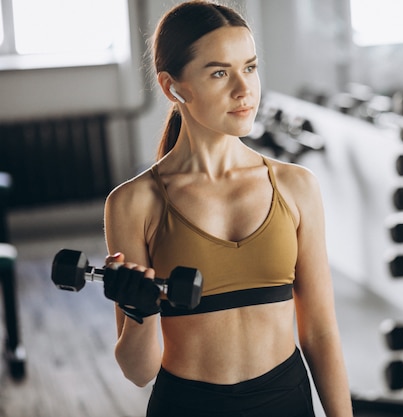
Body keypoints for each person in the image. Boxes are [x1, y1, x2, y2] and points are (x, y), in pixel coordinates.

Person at [102, 1, 353, 416]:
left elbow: (321, 334)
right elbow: (137, 370)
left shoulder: (295, 187)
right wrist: (139, 311)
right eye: (220, 72)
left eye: (250, 68)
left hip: (286, 402)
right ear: (172, 87)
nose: (244, 89)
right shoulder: (134, 203)